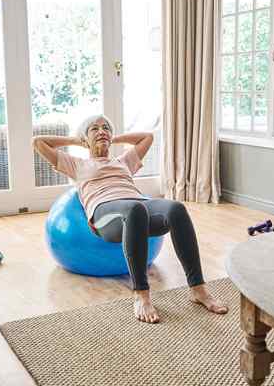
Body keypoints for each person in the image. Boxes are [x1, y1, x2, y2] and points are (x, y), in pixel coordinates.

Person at [32, 114, 228, 323]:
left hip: (137, 207)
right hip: (105, 216)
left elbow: (147, 138)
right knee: (135, 209)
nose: (102, 131)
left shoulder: (123, 161)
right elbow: (38, 142)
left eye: (106, 127)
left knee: (176, 209)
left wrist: (109, 137)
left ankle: (198, 288)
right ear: (84, 139)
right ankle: (141, 294)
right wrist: (77, 140)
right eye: (94, 128)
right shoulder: (76, 164)